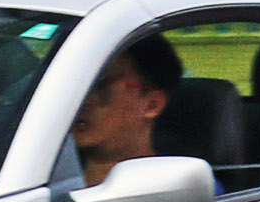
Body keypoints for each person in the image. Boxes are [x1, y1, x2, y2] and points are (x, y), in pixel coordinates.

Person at [70, 34, 184, 187]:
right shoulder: (45, 175)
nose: (84, 100)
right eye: (78, 85)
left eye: (100, 85)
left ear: (152, 104)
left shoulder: (175, 187)